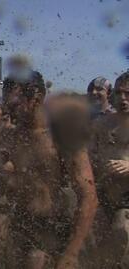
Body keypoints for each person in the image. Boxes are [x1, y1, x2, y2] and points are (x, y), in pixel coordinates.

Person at [0, 71, 97, 269]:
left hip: (55, 224)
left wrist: (71, 253)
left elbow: (89, 196)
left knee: (35, 260)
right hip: (21, 220)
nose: (7, 109)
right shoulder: (11, 135)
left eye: (14, 104)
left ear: (36, 99)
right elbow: (4, 183)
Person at [91, 71, 129, 267]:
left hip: (127, 198)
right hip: (104, 193)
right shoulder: (101, 124)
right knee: (96, 249)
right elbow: (88, 156)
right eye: (120, 93)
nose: (123, 98)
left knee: (120, 232)